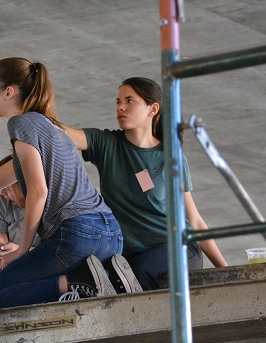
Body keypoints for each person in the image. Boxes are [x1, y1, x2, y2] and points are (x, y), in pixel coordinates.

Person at [0, 57, 140, 312]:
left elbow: (38, 190)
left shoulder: (21, 123)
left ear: (8, 92)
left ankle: (83, 282)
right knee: (24, 292)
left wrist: (22, 250)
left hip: (78, 233)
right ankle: (98, 280)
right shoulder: (49, 128)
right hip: (110, 234)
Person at [63, 76, 228, 291]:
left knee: (139, 270)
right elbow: (62, 134)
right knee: (84, 275)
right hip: (128, 254)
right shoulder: (106, 144)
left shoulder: (171, 158)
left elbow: (194, 220)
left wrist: (224, 270)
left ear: (153, 109)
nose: (120, 107)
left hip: (178, 248)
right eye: (118, 102)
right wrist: (32, 110)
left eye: (129, 101)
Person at [0, 155, 42, 278]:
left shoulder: (56, 207)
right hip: (8, 273)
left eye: (7, 187)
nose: (1, 192)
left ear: (26, 186)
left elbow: (58, 256)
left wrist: (19, 251)